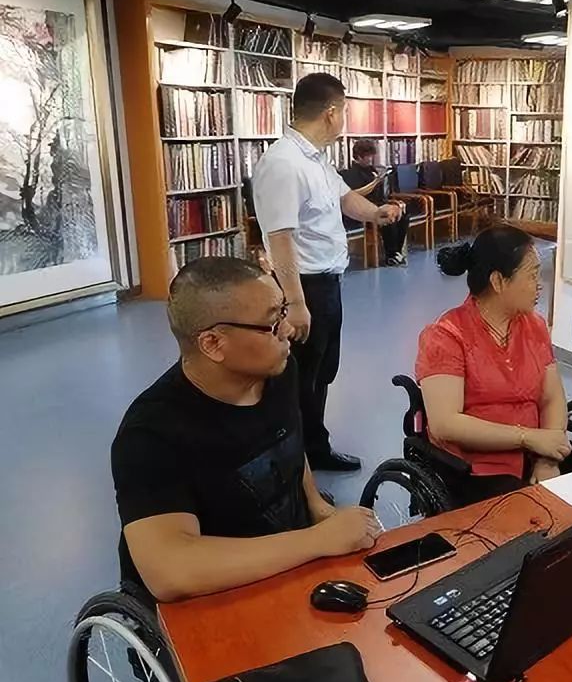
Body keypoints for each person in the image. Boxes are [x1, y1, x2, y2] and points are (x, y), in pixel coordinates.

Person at [111, 258, 381, 604]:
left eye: (283, 312)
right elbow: (171, 571)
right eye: (272, 323)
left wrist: (319, 510)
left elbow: (289, 447)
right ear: (213, 343)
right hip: (215, 598)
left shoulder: (279, 371)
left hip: (289, 568)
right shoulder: (150, 434)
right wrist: (318, 540)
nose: (288, 330)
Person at [252, 73, 402, 472]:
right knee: (297, 380)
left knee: (320, 373)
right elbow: (280, 238)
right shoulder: (284, 164)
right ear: (331, 113)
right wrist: (295, 303)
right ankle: (293, 468)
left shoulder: (316, 159)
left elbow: (345, 199)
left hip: (328, 285)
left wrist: (377, 213)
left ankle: (315, 448)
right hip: (303, 288)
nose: (345, 119)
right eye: (345, 111)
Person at [416, 226, 572, 507]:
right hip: (477, 469)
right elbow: (445, 423)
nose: (539, 284)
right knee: (540, 515)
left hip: (536, 454)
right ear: (498, 281)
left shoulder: (534, 326)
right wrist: (527, 438)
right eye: (532, 275)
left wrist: (547, 459)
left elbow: (552, 397)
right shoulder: (447, 336)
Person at [339, 139, 410, 266]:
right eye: (368, 156)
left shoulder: (371, 170)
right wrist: (375, 182)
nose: (371, 159)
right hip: (362, 209)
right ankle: (391, 254)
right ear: (359, 156)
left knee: (402, 214)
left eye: (372, 156)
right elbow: (355, 194)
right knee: (388, 217)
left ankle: (397, 251)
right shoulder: (349, 174)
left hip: (378, 203)